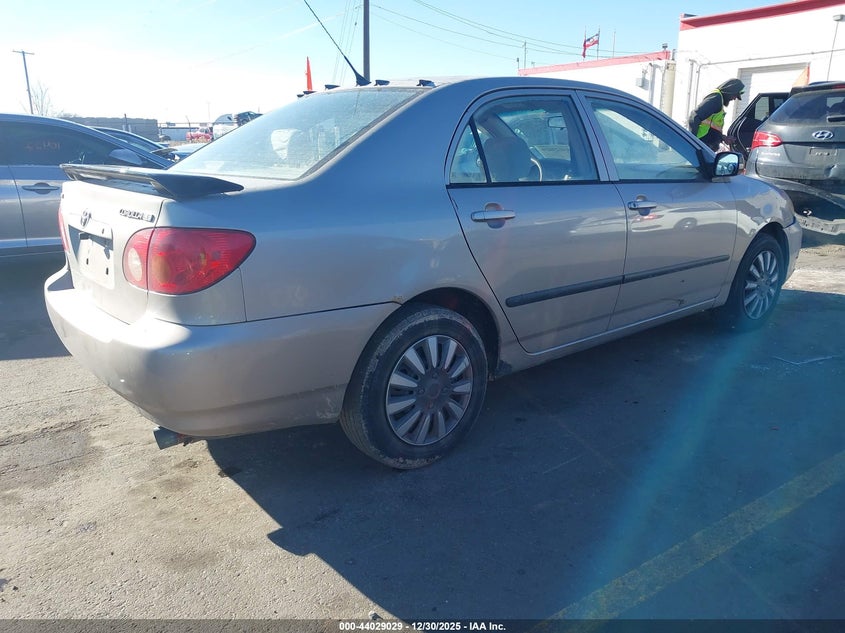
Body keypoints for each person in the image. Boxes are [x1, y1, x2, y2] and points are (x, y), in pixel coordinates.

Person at [688, 78, 745, 151]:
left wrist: (723, 138)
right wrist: (693, 141)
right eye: (735, 95)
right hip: (702, 145)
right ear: (730, 91)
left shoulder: (719, 101)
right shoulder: (716, 98)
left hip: (707, 146)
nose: (734, 99)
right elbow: (694, 116)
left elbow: (712, 127)